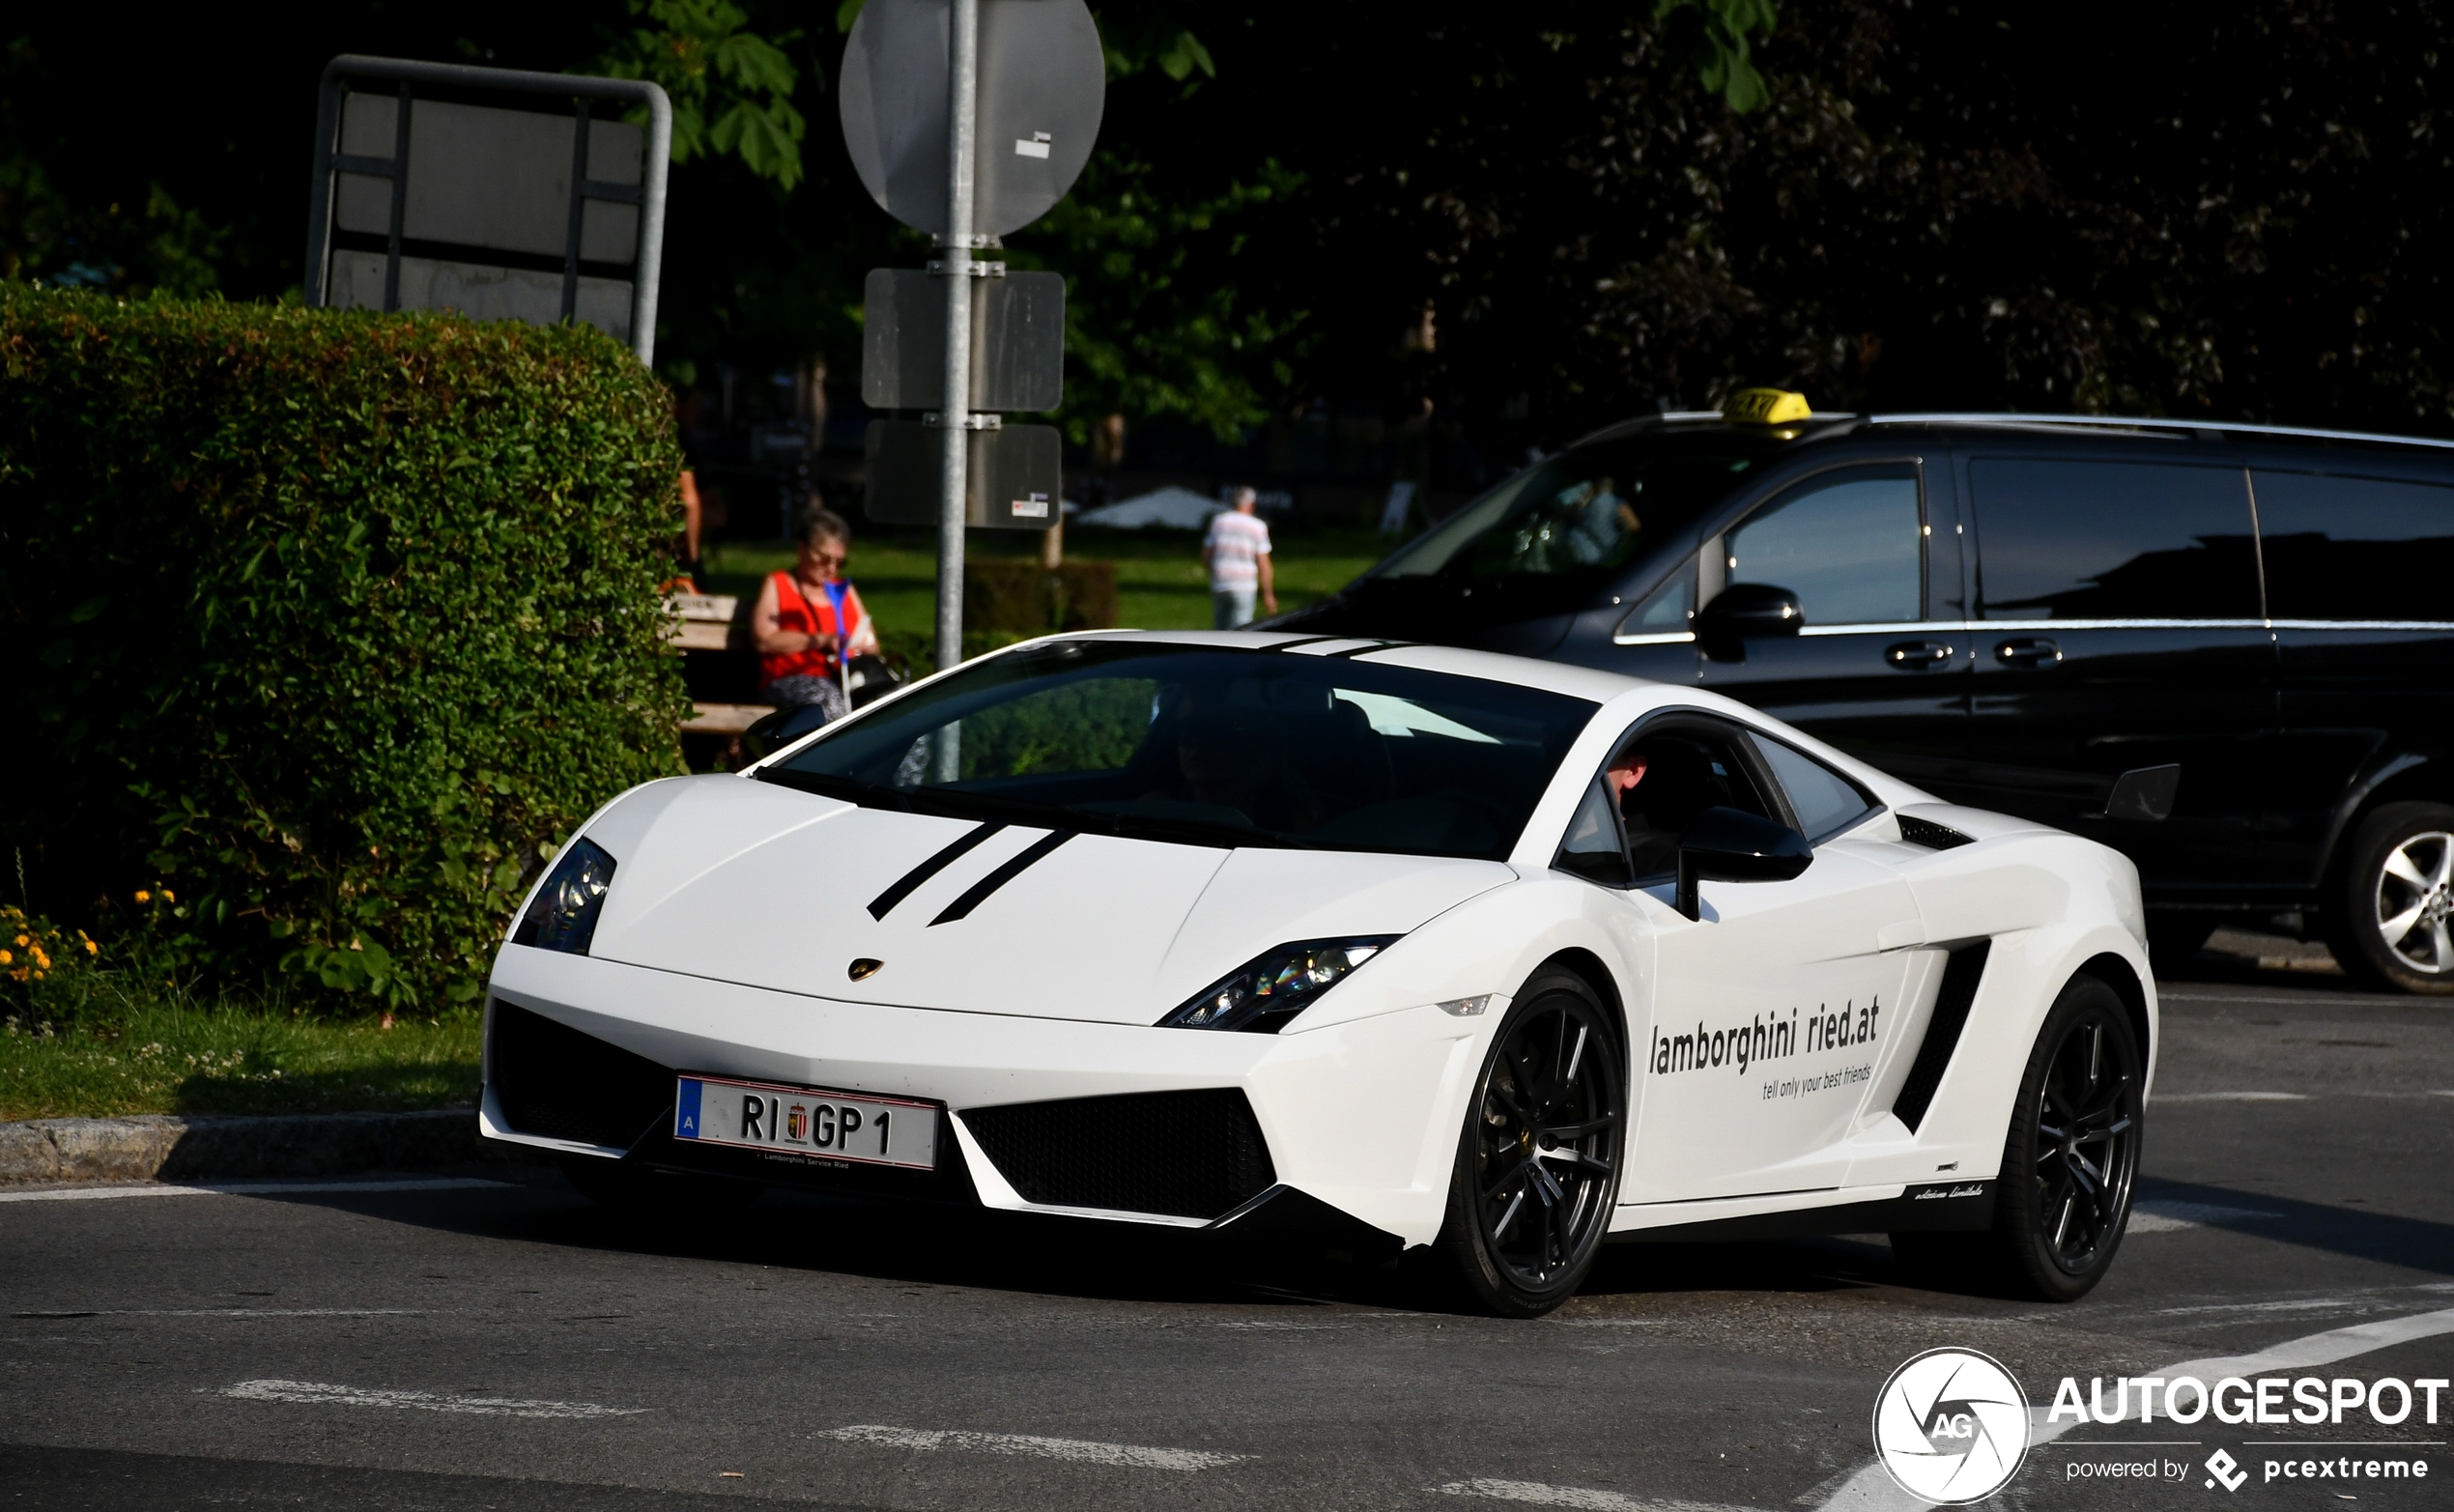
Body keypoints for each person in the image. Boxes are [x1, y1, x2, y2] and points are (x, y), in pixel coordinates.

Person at [753, 505, 879, 722]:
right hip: (792, 678)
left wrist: (864, 646)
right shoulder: (779, 584)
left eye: (839, 562)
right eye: (824, 559)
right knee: (828, 704)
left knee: (895, 707)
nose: (831, 569)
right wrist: (821, 640)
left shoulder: (844, 590)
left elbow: (873, 644)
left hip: (847, 680)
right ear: (802, 549)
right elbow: (764, 640)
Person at [1203, 487, 1277, 629]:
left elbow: (1206, 555)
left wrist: (1214, 570)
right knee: (1241, 629)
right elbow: (1263, 562)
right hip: (1244, 584)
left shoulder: (1219, 522)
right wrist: (1268, 594)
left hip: (1220, 581)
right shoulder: (1257, 526)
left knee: (1219, 627)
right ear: (1252, 505)